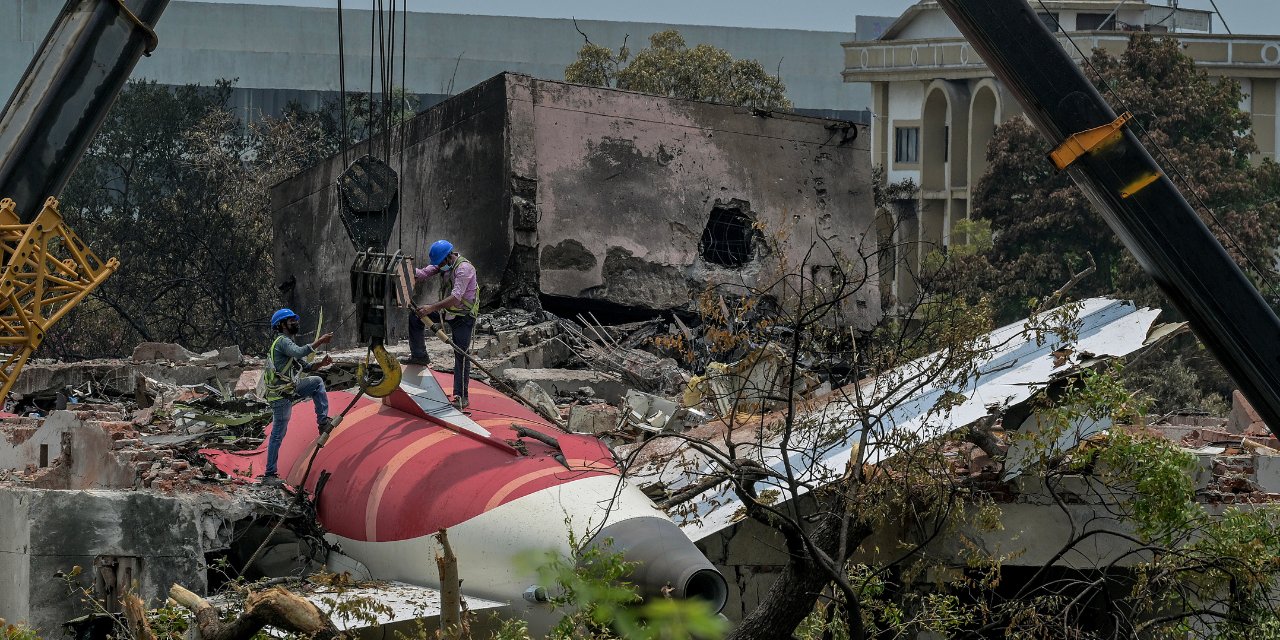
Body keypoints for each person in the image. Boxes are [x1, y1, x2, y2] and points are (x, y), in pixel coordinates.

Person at [262, 308, 334, 486]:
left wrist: (321, 364)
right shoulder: (282, 342)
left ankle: (323, 422)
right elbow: (301, 352)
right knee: (278, 434)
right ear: (281, 325)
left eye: (295, 320)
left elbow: (307, 367)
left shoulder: (287, 344)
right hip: (280, 396)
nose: (295, 323)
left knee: (316, 381)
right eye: (290, 320)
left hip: (288, 390)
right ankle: (269, 475)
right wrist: (320, 341)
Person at [406, 239, 479, 409]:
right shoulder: (443, 264)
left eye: (440, 263)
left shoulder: (464, 269)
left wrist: (430, 307)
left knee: (461, 354)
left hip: (463, 316)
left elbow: (455, 297)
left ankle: (462, 396)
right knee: (416, 316)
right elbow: (423, 273)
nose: (438, 267)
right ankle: (419, 355)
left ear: (448, 257)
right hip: (448, 312)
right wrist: (405, 270)